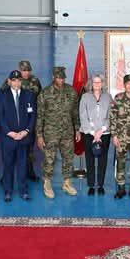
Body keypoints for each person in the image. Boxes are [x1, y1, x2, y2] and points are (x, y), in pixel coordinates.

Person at [36, 67, 80, 199]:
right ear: (53, 78)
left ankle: (67, 183)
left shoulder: (71, 91)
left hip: (67, 132)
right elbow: (40, 116)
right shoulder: (45, 93)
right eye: (58, 78)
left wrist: (77, 129)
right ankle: (47, 183)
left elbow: (75, 112)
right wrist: (39, 135)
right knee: (50, 159)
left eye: (63, 78)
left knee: (68, 158)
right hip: (51, 132)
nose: (61, 80)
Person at [0, 70, 37, 202]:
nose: (16, 82)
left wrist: (26, 131)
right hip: (9, 137)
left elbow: (33, 116)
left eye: (19, 80)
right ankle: (8, 191)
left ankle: (23, 191)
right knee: (8, 165)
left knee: (22, 166)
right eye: (14, 80)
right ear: (9, 81)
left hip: (23, 137)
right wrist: (10, 132)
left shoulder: (29, 95)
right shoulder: (2, 95)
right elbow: (0, 117)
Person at [79, 74, 113, 196]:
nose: (97, 85)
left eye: (99, 82)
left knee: (103, 159)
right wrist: (93, 132)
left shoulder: (108, 97)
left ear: (102, 84)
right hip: (89, 133)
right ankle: (91, 185)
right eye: (95, 82)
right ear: (91, 84)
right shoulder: (85, 97)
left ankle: (101, 185)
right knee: (90, 159)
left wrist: (102, 130)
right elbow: (83, 116)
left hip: (104, 133)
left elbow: (111, 116)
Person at [18, 60, 43, 182]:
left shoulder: (35, 81)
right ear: (20, 70)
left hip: (31, 119)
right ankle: (10, 174)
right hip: (17, 119)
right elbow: (4, 94)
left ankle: (30, 171)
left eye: (28, 70)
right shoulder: (14, 79)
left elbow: (41, 98)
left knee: (30, 147)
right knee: (15, 148)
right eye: (24, 70)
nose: (26, 72)